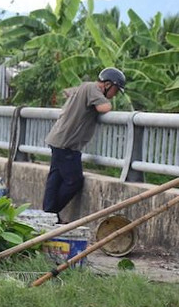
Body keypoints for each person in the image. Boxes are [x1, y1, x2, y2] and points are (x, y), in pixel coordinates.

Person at [42, 67, 125, 223]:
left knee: (55, 179)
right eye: (116, 90)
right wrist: (105, 103)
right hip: (67, 144)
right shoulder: (93, 88)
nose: (115, 95)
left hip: (59, 139)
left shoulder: (83, 87)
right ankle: (51, 212)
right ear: (107, 84)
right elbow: (104, 107)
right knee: (74, 181)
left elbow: (66, 92)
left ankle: (48, 214)